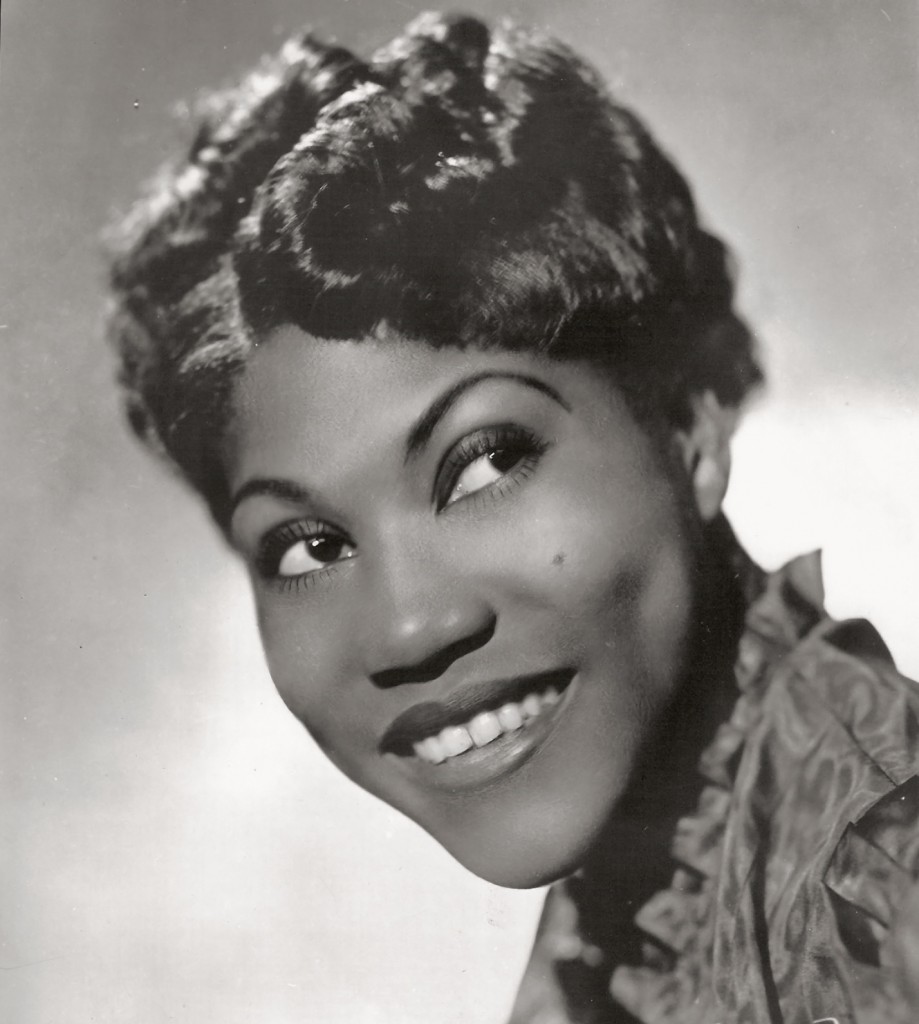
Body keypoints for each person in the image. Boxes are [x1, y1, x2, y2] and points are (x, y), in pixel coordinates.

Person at [105, 11, 919, 1021]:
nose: (408, 624)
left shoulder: (882, 893)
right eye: (308, 544)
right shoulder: (636, 903)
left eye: (484, 462)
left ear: (688, 423)